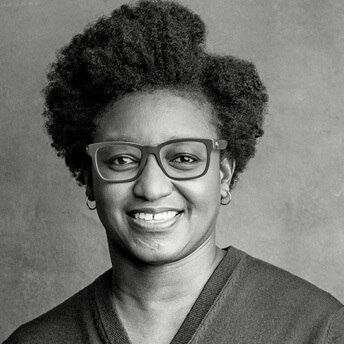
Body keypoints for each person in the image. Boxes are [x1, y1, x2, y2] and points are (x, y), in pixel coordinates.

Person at [4, 1, 343, 343]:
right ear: (91, 178)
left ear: (223, 176)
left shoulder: (316, 328)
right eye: (122, 159)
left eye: (183, 159)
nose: (151, 188)